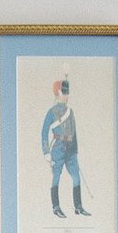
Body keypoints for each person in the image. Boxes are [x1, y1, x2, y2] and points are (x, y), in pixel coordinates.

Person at [41, 75, 90, 219]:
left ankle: (78, 207)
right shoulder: (51, 112)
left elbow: (74, 132)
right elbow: (44, 132)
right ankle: (56, 207)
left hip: (71, 149)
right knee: (56, 177)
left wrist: (75, 151)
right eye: (64, 93)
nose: (67, 96)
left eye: (67, 93)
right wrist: (46, 152)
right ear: (58, 93)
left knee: (76, 177)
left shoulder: (70, 111)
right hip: (58, 149)